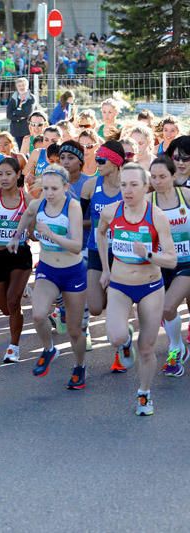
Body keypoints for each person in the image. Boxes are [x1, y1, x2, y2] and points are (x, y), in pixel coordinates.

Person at [97, 164, 176, 415]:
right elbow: (100, 234)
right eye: (123, 185)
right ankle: (125, 341)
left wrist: (150, 253)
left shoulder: (157, 217)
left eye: (134, 185)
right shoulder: (110, 212)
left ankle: (144, 393)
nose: (127, 190)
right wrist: (105, 269)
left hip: (151, 287)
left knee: (147, 349)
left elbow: (172, 259)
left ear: (146, 187)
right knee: (116, 337)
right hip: (120, 284)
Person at [10, 165, 88, 388]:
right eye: (45, 188)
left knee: (74, 330)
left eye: (54, 188)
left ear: (65, 187)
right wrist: (17, 236)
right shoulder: (38, 204)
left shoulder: (72, 207)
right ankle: (49, 348)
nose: (49, 193)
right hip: (48, 269)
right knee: (38, 315)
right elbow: (27, 214)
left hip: (73, 272)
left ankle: (80, 365)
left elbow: (76, 246)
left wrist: (51, 234)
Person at [81, 141, 125, 372]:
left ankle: (121, 349)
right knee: (96, 307)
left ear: (116, 163)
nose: (96, 163)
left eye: (101, 160)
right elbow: (80, 218)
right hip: (96, 249)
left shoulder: (129, 187)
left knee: (117, 308)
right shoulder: (90, 186)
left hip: (122, 254)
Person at [0, 157, 32, 363]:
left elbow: (35, 232)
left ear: (18, 175)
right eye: (0, 174)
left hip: (19, 256)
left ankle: (13, 346)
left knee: (13, 302)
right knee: (5, 308)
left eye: (8, 174)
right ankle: (21, 292)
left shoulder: (27, 200)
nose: (4, 178)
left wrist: (37, 232)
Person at [149, 156, 190, 376]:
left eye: (162, 176)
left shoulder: (186, 196)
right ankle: (178, 344)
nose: (157, 181)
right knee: (161, 312)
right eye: (153, 177)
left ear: (174, 176)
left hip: (187, 263)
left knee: (167, 307)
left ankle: (175, 348)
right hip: (160, 265)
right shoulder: (147, 201)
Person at [6, 77, 38, 149]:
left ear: (27, 86)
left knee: (30, 149)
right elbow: (8, 115)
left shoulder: (31, 98)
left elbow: (27, 113)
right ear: (17, 87)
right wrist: (20, 116)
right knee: (21, 150)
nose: (21, 87)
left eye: (23, 85)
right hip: (16, 130)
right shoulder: (13, 98)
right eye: (19, 86)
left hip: (28, 129)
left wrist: (15, 112)